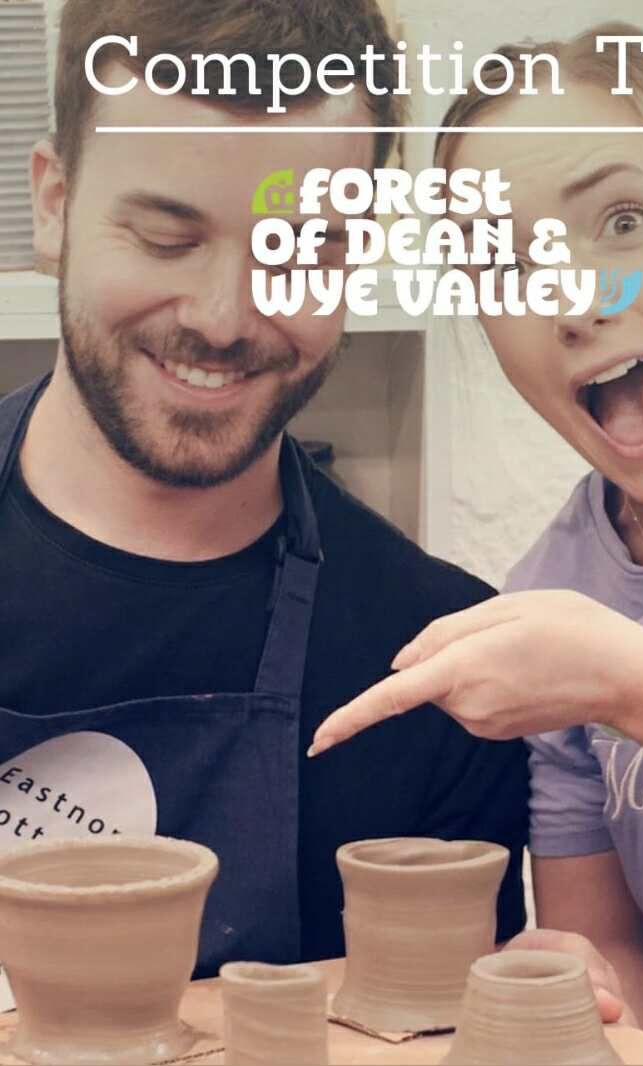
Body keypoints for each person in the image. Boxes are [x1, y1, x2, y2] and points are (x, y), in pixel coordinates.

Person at [309, 20, 643, 1064]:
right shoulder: (552, 592)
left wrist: (630, 683)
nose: (576, 297)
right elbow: (623, 963)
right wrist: (583, 989)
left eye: (622, 218)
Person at [0, 0, 528, 976]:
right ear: (53, 203)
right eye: (165, 238)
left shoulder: (430, 673)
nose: (224, 315)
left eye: (296, 249)